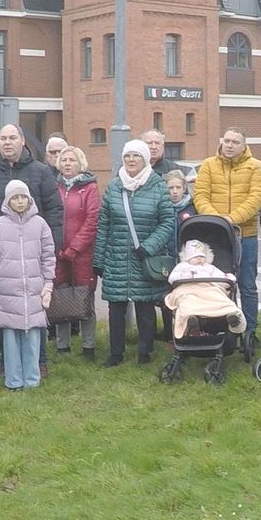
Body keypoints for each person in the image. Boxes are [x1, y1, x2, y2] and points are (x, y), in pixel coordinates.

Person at [0, 123, 63, 376]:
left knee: (37, 313)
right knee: (5, 314)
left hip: (33, 258)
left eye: (12, 137)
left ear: (22, 141)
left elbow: (55, 212)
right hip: (3, 260)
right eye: (3, 138)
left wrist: (49, 251)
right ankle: (7, 363)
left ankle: (39, 361)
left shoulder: (41, 173)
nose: (7, 142)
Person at [93, 140, 176, 367]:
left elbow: (167, 221)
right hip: (116, 257)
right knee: (116, 308)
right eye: (127, 155)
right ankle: (115, 353)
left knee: (145, 307)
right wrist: (99, 259)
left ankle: (144, 352)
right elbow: (103, 226)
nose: (131, 160)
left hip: (144, 258)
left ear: (145, 159)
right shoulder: (114, 187)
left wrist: (148, 246)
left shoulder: (158, 186)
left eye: (136, 156)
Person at [193, 127, 261, 339]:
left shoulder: (254, 167)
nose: (230, 145)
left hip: (246, 235)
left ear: (244, 146)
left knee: (247, 285)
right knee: (217, 285)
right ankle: (219, 327)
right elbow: (200, 196)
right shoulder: (208, 165)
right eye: (227, 141)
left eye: (235, 142)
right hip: (215, 236)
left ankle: (250, 330)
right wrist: (219, 221)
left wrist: (231, 219)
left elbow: (256, 198)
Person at [0, 180, 56, 390]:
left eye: (23, 197)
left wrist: (48, 285)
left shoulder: (40, 224)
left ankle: (32, 380)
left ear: (30, 198)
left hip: (34, 290)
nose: (20, 201)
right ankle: (13, 380)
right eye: (15, 197)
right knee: (10, 340)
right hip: (7, 290)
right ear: (8, 201)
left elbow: (49, 256)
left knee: (33, 337)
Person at [54, 146, 100, 360]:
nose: (67, 163)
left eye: (72, 160)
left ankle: (89, 347)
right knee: (60, 296)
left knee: (84, 297)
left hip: (83, 254)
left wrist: (74, 248)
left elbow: (92, 220)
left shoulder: (89, 187)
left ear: (80, 163)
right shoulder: (53, 186)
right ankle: (62, 347)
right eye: (64, 160)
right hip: (57, 253)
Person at [164, 239, 246, 338]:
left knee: (220, 298)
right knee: (186, 302)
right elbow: (172, 278)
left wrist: (228, 277)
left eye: (202, 257)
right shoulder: (182, 267)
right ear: (186, 258)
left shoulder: (209, 268)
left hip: (209, 291)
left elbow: (221, 277)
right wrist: (186, 275)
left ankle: (231, 314)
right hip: (189, 291)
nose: (199, 259)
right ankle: (190, 319)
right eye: (195, 257)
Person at [158, 169, 197, 342]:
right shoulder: (161, 207)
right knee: (167, 299)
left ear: (184, 189)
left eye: (177, 188)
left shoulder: (192, 209)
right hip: (166, 259)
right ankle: (168, 335)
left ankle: (188, 333)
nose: (174, 192)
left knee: (187, 297)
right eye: (170, 188)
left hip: (186, 261)